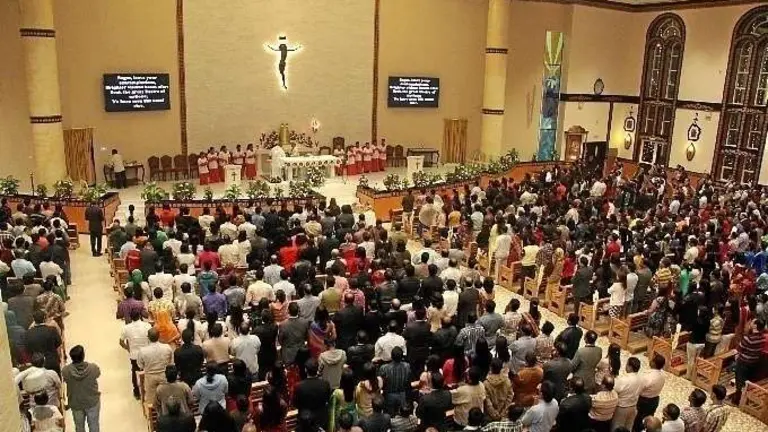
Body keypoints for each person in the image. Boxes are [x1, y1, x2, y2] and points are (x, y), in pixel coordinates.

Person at [62, 345, 101, 432]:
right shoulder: (93, 368)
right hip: (92, 401)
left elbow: (65, 379)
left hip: (76, 403)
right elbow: (98, 374)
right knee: (94, 425)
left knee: (79, 427)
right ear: (83, 355)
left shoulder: (66, 371)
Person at [119, 310, 152, 399]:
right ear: (140, 316)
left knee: (135, 371)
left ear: (130, 317)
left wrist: (128, 349)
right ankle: (147, 390)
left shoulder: (126, 328)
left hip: (134, 355)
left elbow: (121, 342)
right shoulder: (147, 326)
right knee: (148, 371)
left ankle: (137, 392)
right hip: (146, 353)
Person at [137, 328, 174, 403]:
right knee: (166, 397)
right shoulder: (167, 347)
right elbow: (171, 363)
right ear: (159, 336)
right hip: (164, 375)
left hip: (150, 377)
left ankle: (152, 412)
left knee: (151, 399)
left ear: (148, 337)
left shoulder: (143, 351)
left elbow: (140, 365)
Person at [293, 358, 332, 428]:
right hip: (322, 418)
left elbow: (295, 404)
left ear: (305, 370)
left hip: (305, 419)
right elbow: (327, 399)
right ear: (317, 370)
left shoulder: (298, 386)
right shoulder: (325, 384)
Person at [635, 354, 667, 432]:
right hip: (655, 399)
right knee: (649, 417)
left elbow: (638, 390)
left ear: (654, 363)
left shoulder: (648, 377)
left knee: (639, 420)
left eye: (652, 360)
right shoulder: (663, 374)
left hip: (644, 401)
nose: (650, 361)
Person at [25, 310, 62, 374]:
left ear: (33, 320)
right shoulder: (52, 330)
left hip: (37, 366)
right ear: (44, 318)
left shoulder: (28, 333)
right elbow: (58, 348)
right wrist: (58, 359)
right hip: (52, 363)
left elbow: (28, 350)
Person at [378, 346, 411, 413]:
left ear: (391, 356)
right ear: (402, 357)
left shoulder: (384, 368)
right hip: (402, 394)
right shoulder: (407, 366)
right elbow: (408, 381)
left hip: (389, 395)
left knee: (390, 416)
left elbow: (380, 383)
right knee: (401, 415)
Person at [612, 357, 642, 431]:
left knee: (617, 427)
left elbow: (614, 390)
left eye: (627, 364)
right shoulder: (641, 378)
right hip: (634, 406)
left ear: (630, 367)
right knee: (629, 427)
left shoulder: (623, 380)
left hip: (622, 407)